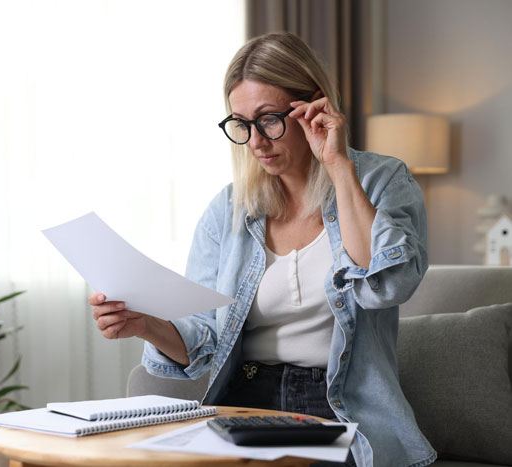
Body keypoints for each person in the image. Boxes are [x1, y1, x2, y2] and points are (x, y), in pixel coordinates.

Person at [89, 32, 436, 467]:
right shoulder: (228, 211)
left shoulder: (382, 182)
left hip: (338, 406)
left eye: (269, 119)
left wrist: (337, 165)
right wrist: (146, 324)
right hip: (244, 404)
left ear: (314, 108)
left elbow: (387, 285)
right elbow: (207, 342)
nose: (255, 141)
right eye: (241, 124)